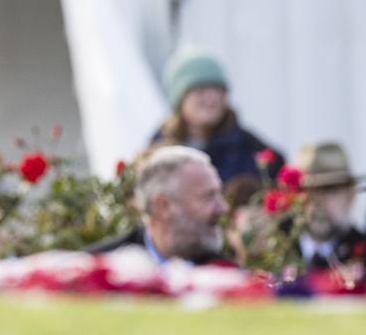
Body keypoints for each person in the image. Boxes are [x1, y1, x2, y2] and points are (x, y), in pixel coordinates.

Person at [151, 48, 283, 187]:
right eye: (200, 89)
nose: (210, 98)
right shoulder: (158, 152)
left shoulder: (251, 150)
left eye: (217, 89)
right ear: (179, 99)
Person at [90, 145, 231, 266]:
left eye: (220, 194)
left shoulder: (229, 278)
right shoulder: (93, 270)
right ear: (162, 206)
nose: (223, 208)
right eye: (208, 197)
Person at [291, 142, 366, 274]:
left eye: (329, 190)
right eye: (308, 191)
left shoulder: (362, 252)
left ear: (350, 196)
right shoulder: (273, 252)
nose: (318, 201)